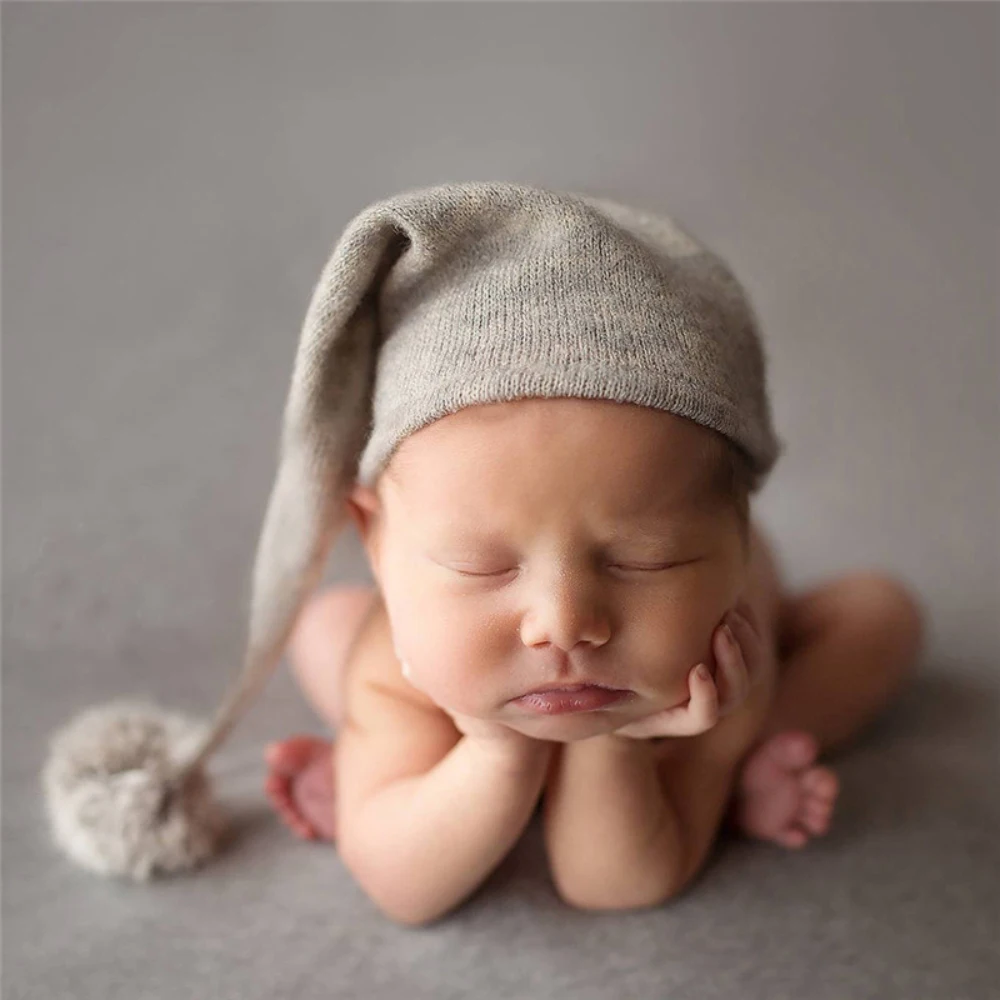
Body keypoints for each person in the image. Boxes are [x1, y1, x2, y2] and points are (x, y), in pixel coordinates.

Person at [254, 182, 924, 925]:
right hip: (449, 683)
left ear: (736, 542)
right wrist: (492, 752)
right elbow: (403, 894)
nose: (565, 624)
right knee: (326, 627)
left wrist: (624, 745)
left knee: (878, 614)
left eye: (645, 559)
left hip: (675, 714)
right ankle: (394, 765)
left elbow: (612, 885)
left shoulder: (715, 663)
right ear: (373, 538)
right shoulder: (399, 661)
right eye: (484, 565)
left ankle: (748, 762)